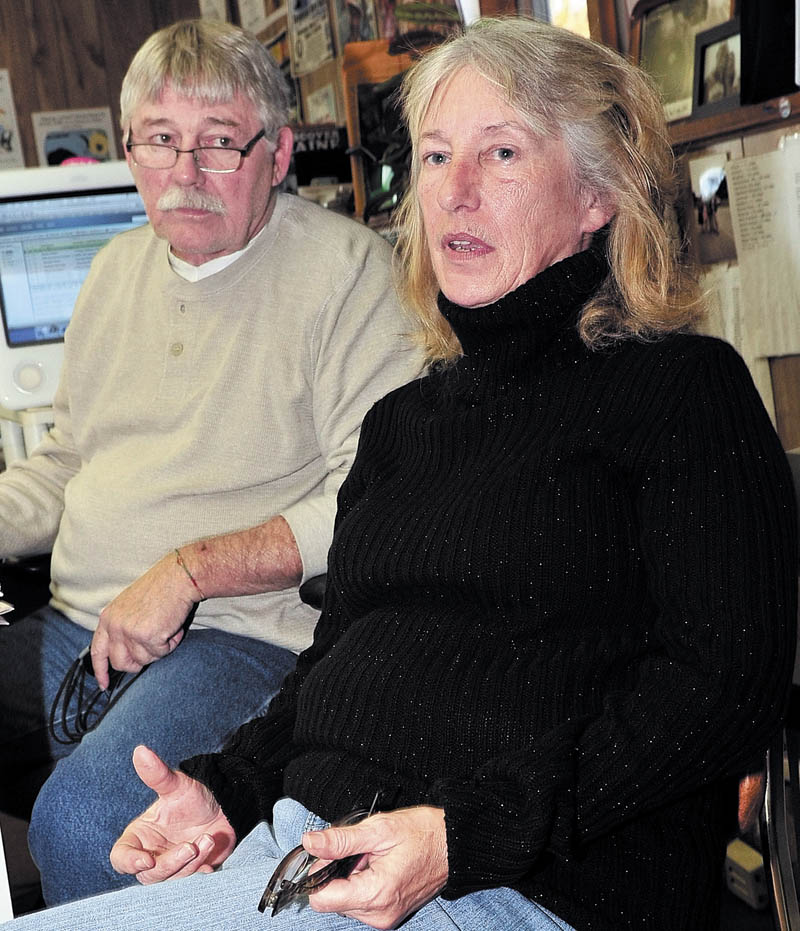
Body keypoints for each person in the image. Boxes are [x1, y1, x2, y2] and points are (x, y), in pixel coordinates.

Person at [4, 16, 796, 931]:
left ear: (598, 196)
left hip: (517, 883)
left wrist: (466, 834)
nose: (454, 194)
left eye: (501, 154)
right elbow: (337, 661)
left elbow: (725, 687)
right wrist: (226, 789)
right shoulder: (406, 422)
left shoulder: (682, 392)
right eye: (433, 157)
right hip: (310, 853)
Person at [0, 18, 422, 908]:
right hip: (83, 627)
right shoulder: (115, 270)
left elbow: (375, 499)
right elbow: (69, 461)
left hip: (244, 633)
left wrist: (190, 570)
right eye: (160, 140)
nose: (184, 172)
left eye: (219, 143)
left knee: (85, 826)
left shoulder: (352, 275)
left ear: (275, 155)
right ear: (129, 151)